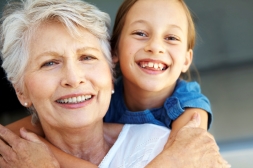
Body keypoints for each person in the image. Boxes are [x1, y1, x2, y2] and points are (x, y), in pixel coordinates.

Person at [0, 0, 230, 167]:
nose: (74, 78)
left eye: (87, 57)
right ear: (20, 90)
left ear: (109, 74)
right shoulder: (15, 155)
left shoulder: (175, 130)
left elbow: (186, 151)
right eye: (49, 63)